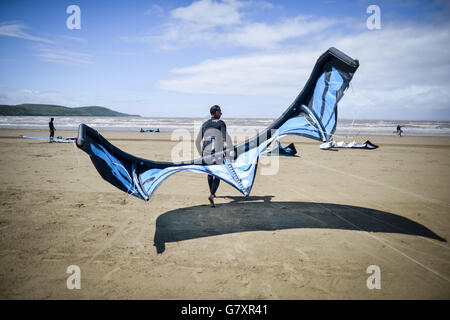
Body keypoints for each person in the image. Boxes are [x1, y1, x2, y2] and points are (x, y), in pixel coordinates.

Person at [195, 105, 234, 207]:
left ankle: (212, 192)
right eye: (220, 111)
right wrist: (230, 149)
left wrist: (201, 154)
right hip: (217, 152)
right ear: (215, 112)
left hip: (206, 153)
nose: (221, 113)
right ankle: (212, 194)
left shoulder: (205, 124)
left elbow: (197, 141)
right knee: (218, 174)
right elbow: (225, 137)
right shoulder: (221, 123)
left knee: (210, 173)